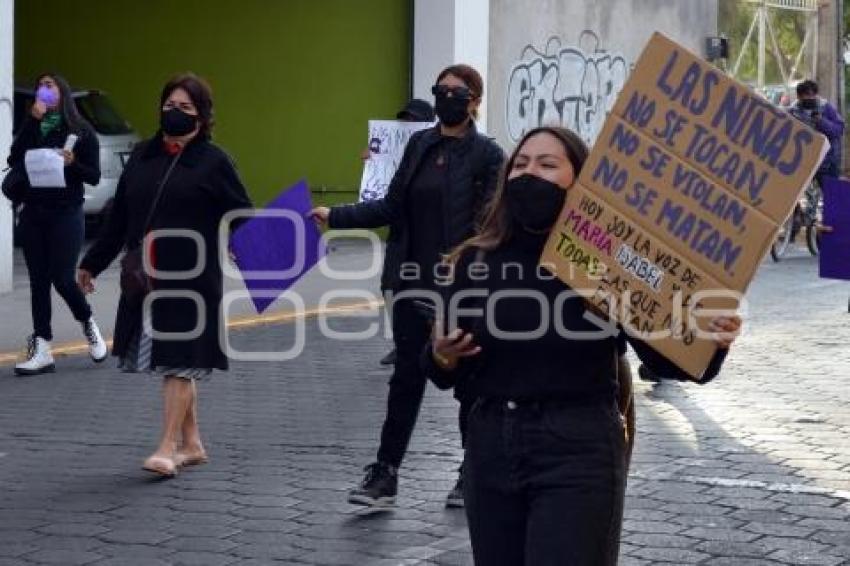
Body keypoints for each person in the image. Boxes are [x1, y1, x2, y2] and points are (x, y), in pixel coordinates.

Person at [424, 126, 742, 565]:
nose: (528, 173)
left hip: (577, 449)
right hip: (490, 447)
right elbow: (443, 371)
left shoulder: (608, 264)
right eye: (521, 163)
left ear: (580, 181)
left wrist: (711, 339)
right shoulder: (475, 259)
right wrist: (442, 353)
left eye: (547, 164)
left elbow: (666, 360)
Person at [310, 64, 505, 508]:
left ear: (474, 101)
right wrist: (336, 216)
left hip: (460, 287)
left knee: (467, 383)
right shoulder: (419, 145)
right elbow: (392, 205)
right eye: (441, 90)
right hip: (412, 281)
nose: (447, 97)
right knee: (406, 379)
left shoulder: (488, 156)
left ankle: (468, 473)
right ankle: (385, 473)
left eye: (458, 92)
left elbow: (492, 224)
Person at [78, 73, 252, 477]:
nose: (174, 113)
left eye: (186, 108)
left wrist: (251, 248)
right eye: (169, 105)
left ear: (203, 116)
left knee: (178, 362)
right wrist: (91, 263)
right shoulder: (142, 155)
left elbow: (242, 212)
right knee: (171, 359)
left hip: (192, 281)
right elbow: (118, 217)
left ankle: (167, 446)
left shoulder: (215, 162)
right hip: (147, 280)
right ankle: (192, 444)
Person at [6, 73, 108, 376]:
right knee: (38, 281)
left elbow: (93, 176)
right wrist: (30, 121)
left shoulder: (81, 131)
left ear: (61, 93)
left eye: (50, 85)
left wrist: (72, 163)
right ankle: (42, 346)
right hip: (34, 213)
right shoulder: (34, 125)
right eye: (41, 86)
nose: (43, 90)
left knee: (62, 278)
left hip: (66, 214)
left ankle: (88, 323)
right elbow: (14, 159)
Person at [376, 98, 435, 367]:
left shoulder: (430, 149)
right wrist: (373, 160)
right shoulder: (395, 147)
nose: (406, 124)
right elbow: (381, 194)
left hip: (425, 236)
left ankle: (427, 342)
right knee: (389, 286)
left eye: (413, 120)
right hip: (400, 232)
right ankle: (401, 344)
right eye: (404, 120)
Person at [789, 79, 845, 185]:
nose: (810, 99)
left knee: (831, 195)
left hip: (828, 163)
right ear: (799, 97)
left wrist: (821, 121)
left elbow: (839, 129)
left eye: (812, 95)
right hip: (804, 163)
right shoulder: (793, 111)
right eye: (806, 96)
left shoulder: (826, 108)